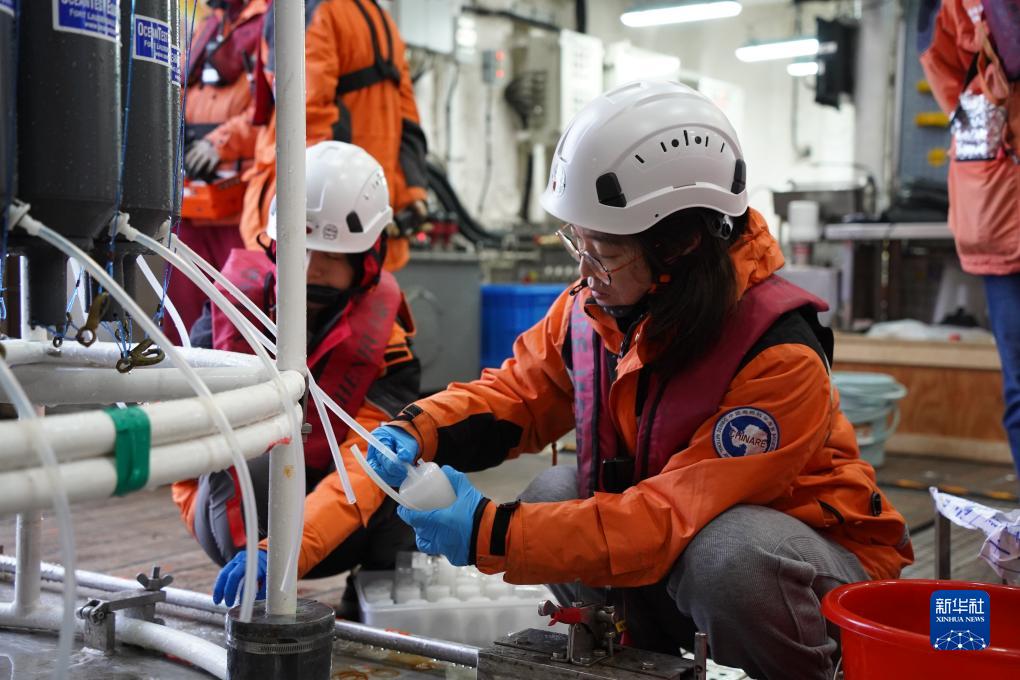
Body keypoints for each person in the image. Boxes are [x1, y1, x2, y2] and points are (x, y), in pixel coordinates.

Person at [366, 81, 913, 680]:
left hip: (813, 572)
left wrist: (489, 532)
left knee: (727, 555)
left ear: (681, 245)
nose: (584, 269)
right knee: (556, 491)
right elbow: (519, 394)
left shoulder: (777, 355)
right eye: (577, 240)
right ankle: (631, 662)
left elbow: (667, 517)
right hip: (678, 547)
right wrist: (421, 428)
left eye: (602, 250)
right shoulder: (594, 308)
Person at [171, 141, 419, 609]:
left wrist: (289, 549)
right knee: (256, 452)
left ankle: (371, 608)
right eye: (298, 248)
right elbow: (186, 432)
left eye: (330, 255)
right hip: (234, 514)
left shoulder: (389, 346)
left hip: (334, 526)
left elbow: (366, 470)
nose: (309, 269)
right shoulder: (228, 308)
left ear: (367, 258)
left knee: (416, 472)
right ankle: (253, 590)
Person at [240, 0, 429, 272]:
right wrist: (410, 197)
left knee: (286, 294)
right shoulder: (382, 20)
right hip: (364, 220)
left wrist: (312, 215)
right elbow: (408, 123)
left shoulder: (306, 10)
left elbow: (305, 115)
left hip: (317, 224)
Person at [920, 0, 1020, 479]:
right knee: (1018, 382)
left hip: (995, 211)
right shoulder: (958, 15)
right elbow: (943, 69)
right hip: (999, 220)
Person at [165, 0, 269, 344]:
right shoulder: (209, 26)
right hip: (190, 198)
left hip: (240, 205)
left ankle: (239, 377)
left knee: (238, 308)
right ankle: (177, 374)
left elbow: (272, 111)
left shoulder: (270, 22)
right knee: (179, 308)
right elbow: (178, 87)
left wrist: (219, 142)